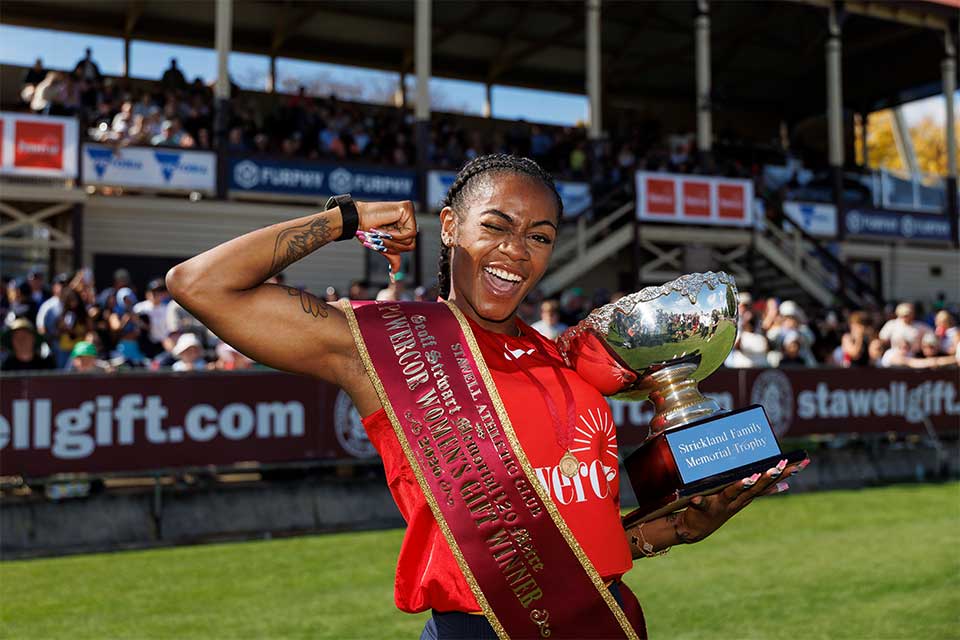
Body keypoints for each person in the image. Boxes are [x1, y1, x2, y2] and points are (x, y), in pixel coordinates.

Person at [166, 154, 805, 639]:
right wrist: (347, 219)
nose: (515, 252)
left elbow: (568, 525)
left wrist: (661, 533)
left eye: (539, 236)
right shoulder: (387, 346)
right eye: (496, 226)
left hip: (605, 615)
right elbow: (200, 284)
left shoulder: (570, 364)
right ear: (448, 226)